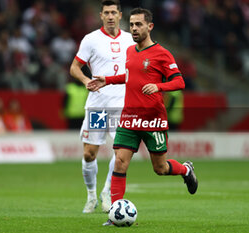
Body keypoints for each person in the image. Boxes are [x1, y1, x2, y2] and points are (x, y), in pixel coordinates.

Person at [87, 7, 198, 226]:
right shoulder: (129, 51)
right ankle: (115, 215)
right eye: (132, 24)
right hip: (129, 117)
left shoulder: (162, 54)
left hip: (153, 119)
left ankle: (186, 169)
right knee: (119, 162)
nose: (134, 28)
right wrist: (107, 80)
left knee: (160, 168)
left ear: (150, 26)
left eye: (139, 24)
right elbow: (130, 76)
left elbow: (179, 82)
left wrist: (158, 86)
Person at [69, 0, 134, 213]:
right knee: (89, 154)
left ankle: (106, 192)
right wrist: (86, 80)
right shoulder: (91, 39)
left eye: (114, 12)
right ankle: (91, 196)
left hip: (121, 106)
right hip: (97, 105)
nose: (110, 16)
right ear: (101, 15)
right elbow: (74, 67)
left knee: (120, 153)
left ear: (120, 15)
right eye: (106, 12)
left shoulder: (130, 39)